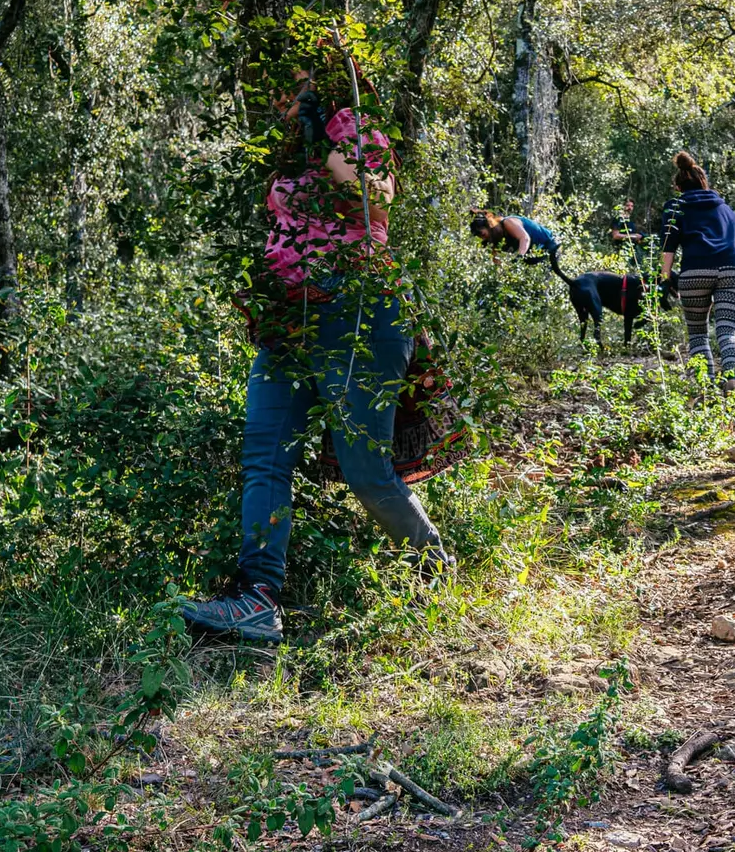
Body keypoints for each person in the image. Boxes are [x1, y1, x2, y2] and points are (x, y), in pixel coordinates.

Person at [181, 48, 448, 645]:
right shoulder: (289, 147)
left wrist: (327, 142)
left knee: (366, 469)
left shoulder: (355, 128)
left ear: (322, 85)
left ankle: (438, 573)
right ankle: (258, 600)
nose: (278, 98)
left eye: (289, 85)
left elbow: (378, 197)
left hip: (357, 308)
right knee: (264, 454)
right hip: (289, 316)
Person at [658, 152, 735, 392]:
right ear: (703, 182)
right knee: (728, 330)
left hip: (695, 273)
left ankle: (704, 387)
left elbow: (668, 248)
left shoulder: (675, 207)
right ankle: (732, 377)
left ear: (678, 186)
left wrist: (664, 281)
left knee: (698, 333)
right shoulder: (728, 210)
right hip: (734, 271)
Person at [470, 210, 559, 258]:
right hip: (531, 257)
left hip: (549, 246)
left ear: (489, 225)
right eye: (477, 235)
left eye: (481, 233)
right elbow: (498, 264)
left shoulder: (508, 222)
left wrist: (518, 258)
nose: (481, 237)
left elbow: (525, 238)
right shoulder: (493, 241)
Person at [609, 198, 652, 281]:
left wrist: (640, 238)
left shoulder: (630, 221)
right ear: (623, 206)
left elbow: (633, 237)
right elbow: (616, 235)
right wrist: (634, 236)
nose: (630, 208)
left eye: (632, 206)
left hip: (632, 253)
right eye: (627, 205)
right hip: (620, 252)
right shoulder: (618, 219)